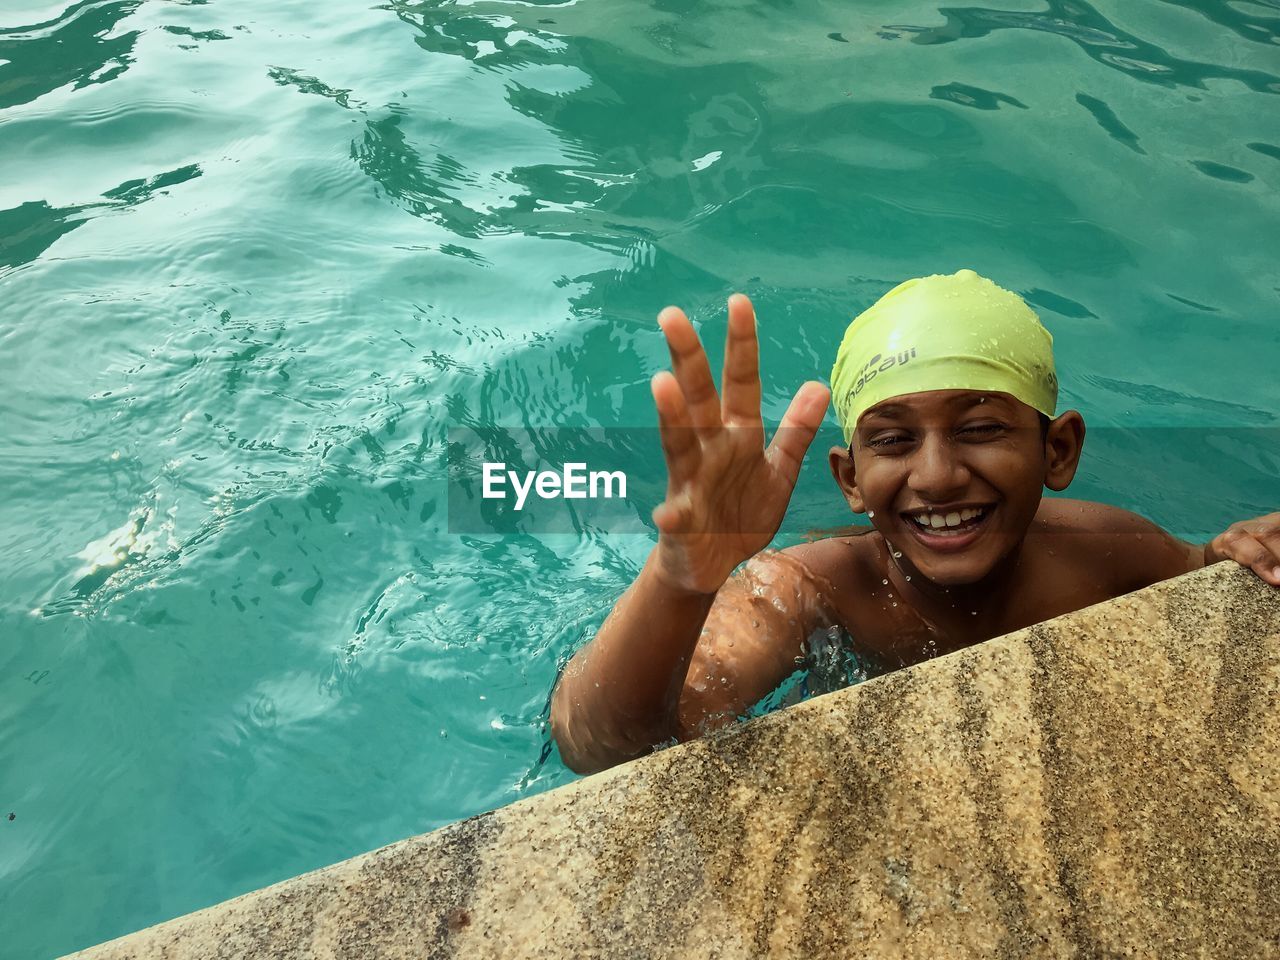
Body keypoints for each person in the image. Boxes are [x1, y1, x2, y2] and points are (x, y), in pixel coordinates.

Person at [549, 269, 1280, 775]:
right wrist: (680, 578)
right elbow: (609, 748)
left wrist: (1231, 552)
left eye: (982, 428)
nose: (934, 475)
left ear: (1057, 450)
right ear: (850, 480)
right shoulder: (805, 591)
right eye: (893, 440)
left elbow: (1203, 584)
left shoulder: (1105, 551)